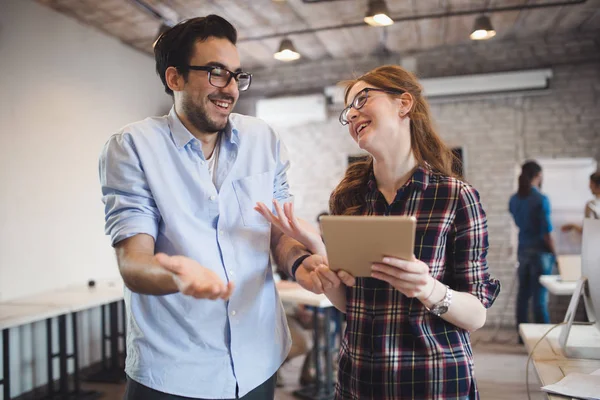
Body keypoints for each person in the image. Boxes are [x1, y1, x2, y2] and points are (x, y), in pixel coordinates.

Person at [99, 15, 313, 400]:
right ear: (174, 78)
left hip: (257, 361)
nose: (230, 89)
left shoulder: (262, 139)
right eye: (216, 73)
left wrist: (300, 262)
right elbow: (133, 262)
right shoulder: (132, 146)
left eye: (236, 75)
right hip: (174, 372)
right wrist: (177, 276)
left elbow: (277, 234)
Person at [255, 65, 501, 399]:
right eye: (347, 110)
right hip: (359, 381)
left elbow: (475, 316)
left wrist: (427, 288)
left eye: (362, 99)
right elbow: (351, 304)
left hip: (433, 383)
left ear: (404, 104)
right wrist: (322, 262)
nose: (352, 114)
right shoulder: (350, 197)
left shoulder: (456, 197)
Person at [509, 161, 557, 331]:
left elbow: (518, 223)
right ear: (538, 176)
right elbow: (547, 233)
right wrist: (556, 254)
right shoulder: (541, 199)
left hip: (523, 250)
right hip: (540, 253)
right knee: (540, 297)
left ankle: (521, 336)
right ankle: (543, 337)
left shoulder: (514, 199)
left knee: (523, 295)